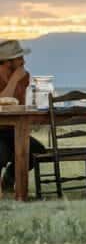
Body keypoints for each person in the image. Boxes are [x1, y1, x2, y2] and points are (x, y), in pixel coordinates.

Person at [0, 39, 46, 191]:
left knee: (36, 151)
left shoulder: (24, 77)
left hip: (14, 130)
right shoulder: (16, 77)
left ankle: (9, 178)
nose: (24, 61)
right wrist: (14, 79)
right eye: (19, 58)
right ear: (7, 61)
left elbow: (24, 103)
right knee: (2, 153)